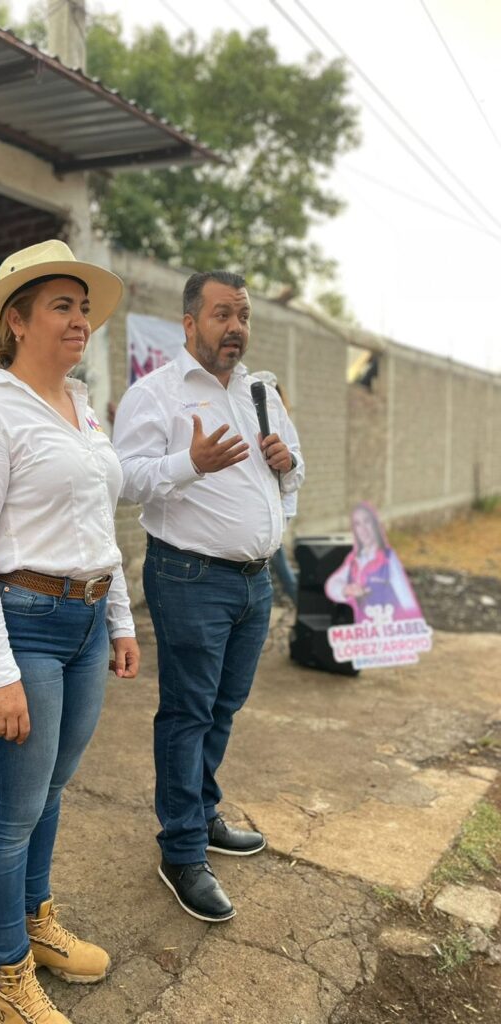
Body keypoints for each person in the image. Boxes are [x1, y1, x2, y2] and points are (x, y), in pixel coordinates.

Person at [0, 239, 140, 1024]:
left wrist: (118, 617)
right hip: (19, 627)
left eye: (83, 305)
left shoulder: (82, 406)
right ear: (16, 322)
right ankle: (4, 978)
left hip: (86, 621)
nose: (80, 319)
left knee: (48, 790)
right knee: (8, 811)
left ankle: (34, 922)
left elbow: (96, 518)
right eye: (62, 305)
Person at [113, 269, 304, 923]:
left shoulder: (260, 391)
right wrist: (189, 464)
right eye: (223, 314)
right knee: (189, 713)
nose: (237, 327)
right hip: (191, 578)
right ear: (189, 322)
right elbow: (124, 481)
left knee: (224, 707)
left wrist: (287, 464)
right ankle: (182, 850)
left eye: (243, 315)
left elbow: (295, 468)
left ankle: (202, 812)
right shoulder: (155, 394)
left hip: (256, 581)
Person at [325, 501, 420, 621]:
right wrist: (345, 589)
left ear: (375, 525)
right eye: (357, 524)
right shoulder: (354, 559)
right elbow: (332, 584)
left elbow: (405, 597)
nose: (363, 529)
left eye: (367, 521)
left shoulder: (388, 558)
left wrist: (414, 629)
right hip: (363, 629)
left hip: (388, 628)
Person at [252, 370, 299, 604]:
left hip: (279, 509)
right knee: (274, 563)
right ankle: (297, 598)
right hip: (277, 508)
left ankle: (299, 600)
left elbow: (294, 470)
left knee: (275, 562)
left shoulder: (279, 425)